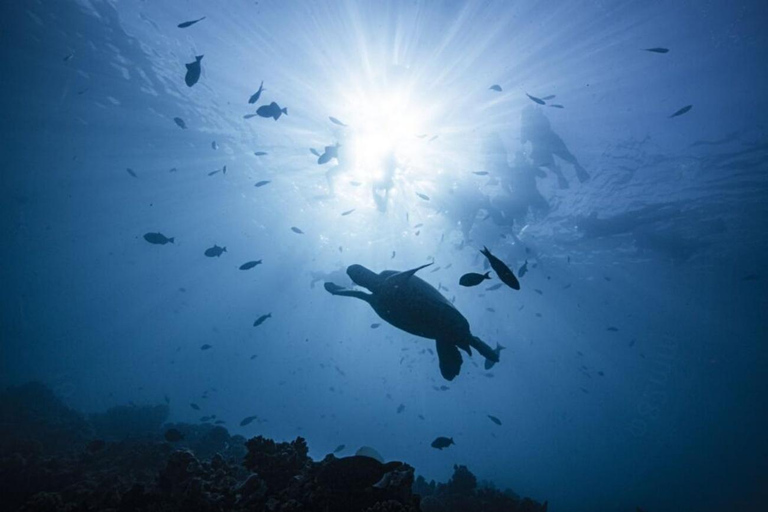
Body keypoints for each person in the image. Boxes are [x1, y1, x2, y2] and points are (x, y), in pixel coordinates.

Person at [520, 106, 590, 188]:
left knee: (549, 162)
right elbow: (547, 125)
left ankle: (561, 175)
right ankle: (574, 169)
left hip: (541, 147)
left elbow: (523, 141)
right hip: (551, 140)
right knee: (565, 156)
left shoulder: (526, 125)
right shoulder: (538, 117)